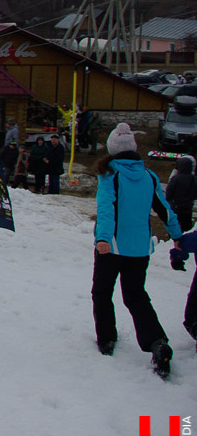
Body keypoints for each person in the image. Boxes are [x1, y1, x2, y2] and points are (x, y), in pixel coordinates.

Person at [92, 122, 182, 377]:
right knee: (135, 295)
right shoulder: (148, 175)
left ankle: (107, 339)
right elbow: (164, 209)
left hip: (112, 248)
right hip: (140, 250)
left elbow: (106, 208)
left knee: (101, 292)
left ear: (112, 149)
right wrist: (176, 236)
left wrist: (103, 238)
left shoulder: (110, 174)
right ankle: (157, 341)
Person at [167, 155, 197, 271]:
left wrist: (170, 201)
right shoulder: (193, 179)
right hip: (187, 207)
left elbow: (169, 191)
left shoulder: (176, 178)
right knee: (186, 225)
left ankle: (175, 241)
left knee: (175, 224)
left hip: (175, 206)